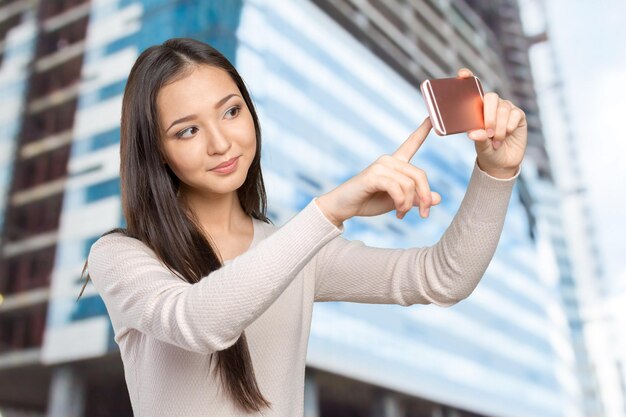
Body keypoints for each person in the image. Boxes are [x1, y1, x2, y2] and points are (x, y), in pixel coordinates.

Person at [78, 37, 526, 416]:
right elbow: (199, 323)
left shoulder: (294, 249)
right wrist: (331, 210)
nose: (220, 143)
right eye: (187, 131)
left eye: (230, 112)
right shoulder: (120, 255)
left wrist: (496, 172)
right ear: (156, 151)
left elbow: (442, 278)